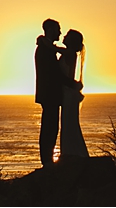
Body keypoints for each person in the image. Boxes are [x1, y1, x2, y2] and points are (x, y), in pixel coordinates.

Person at [34, 19, 82, 167]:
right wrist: (73, 84)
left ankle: (50, 159)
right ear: (50, 29)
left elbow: (56, 72)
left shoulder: (48, 47)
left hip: (53, 94)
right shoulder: (45, 48)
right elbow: (53, 74)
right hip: (50, 94)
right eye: (58, 29)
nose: (60, 33)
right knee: (50, 127)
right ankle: (48, 161)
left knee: (52, 126)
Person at [58, 30, 89, 159]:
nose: (64, 37)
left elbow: (54, 49)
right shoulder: (69, 54)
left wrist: (44, 42)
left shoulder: (69, 53)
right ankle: (72, 151)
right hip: (68, 92)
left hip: (68, 93)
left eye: (67, 36)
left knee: (68, 123)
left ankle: (72, 152)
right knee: (69, 123)